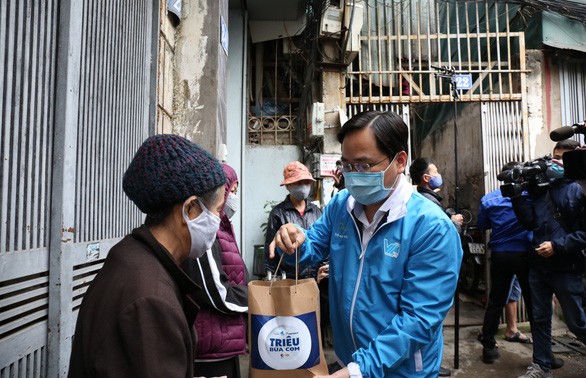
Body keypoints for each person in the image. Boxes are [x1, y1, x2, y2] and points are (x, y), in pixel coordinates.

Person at [269, 110, 463, 377]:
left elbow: (419, 319)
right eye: (346, 166)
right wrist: (294, 242)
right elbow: (311, 248)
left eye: (363, 166)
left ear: (400, 161)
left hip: (401, 370)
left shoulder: (431, 228)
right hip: (347, 361)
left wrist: (359, 370)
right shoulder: (341, 206)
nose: (353, 175)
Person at [68, 134, 227, 377]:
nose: (220, 219)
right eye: (217, 210)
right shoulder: (150, 300)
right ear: (190, 209)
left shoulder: (132, 257)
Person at [511, 139, 586, 378]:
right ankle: (542, 366)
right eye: (554, 156)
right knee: (540, 318)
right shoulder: (543, 188)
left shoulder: (579, 189)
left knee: (577, 322)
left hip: (566, 266)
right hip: (539, 265)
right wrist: (517, 196)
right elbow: (530, 222)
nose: (556, 162)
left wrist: (557, 246)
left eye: (563, 158)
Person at [182, 163, 248, 378]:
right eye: (233, 190)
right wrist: (257, 297)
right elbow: (214, 292)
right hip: (209, 346)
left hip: (223, 342)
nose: (235, 197)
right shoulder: (206, 229)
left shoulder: (224, 227)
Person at [409, 157, 463, 377]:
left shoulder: (424, 201)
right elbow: (439, 240)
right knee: (428, 323)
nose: (439, 173)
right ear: (426, 178)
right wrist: (453, 226)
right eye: (436, 170)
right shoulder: (427, 204)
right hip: (431, 282)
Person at [476, 166, 534, 365]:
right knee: (534, 302)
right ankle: (543, 354)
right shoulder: (530, 195)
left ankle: (489, 348)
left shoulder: (489, 199)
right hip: (525, 254)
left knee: (496, 301)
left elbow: (482, 225)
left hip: (500, 255)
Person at [264, 161, 323, 279]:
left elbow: (322, 243)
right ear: (288, 186)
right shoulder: (278, 213)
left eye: (306, 182)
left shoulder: (316, 211)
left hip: (315, 280)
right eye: (298, 183)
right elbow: (271, 252)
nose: (303, 186)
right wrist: (273, 277)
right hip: (289, 280)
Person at [409, 157, 464, 232]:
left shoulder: (419, 197)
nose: (438, 175)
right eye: (435, 172)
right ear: (426, 178)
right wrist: (455, 223)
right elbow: (444, 233)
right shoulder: (430, 202)